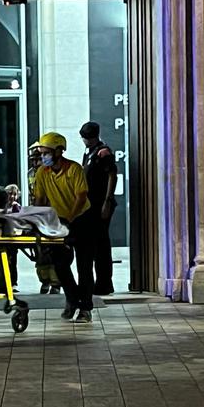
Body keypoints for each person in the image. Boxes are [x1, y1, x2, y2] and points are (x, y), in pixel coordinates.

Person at [33, 132, 94, 323]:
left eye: (47, 152)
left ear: (59, 151)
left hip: (82, 219)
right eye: (42, 153)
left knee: (84, 266)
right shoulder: (42, 173)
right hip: (59, 222)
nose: (43, 156)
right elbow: (40, 200)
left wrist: (70, 218)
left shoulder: (74, 169)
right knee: (60, 265)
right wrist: (37, 219)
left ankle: (85, 309)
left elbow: (81, 196)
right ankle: (72, 299)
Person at [80, 121, 118, 295]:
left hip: (101, 203)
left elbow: (112, 175)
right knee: (95, 244)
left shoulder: (103, 152)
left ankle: (104, 283)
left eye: (88, 138)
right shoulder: (89, 153)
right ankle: (99, 282)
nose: (85, 141)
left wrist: (107, 201)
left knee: (102, 245)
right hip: (90, 204)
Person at [28, 142, 61, 295]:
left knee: (53, 251)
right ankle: (45, 281)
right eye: (33, 160)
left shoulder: (52, 172)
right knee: (39, 251)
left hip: (52, 216)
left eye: (38, 159)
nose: (35, 163)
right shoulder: (31, 174)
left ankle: (56, 282)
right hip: (37, 216)